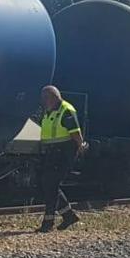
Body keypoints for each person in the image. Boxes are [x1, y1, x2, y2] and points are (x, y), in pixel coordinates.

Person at [36, 85, 86, 233]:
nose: (43, 101)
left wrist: (80, 148)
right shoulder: (49, 110)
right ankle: (69, 216)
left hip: (64, 152)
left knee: (50, 184)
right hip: (52, 152)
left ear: (52, 97)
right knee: (48, 184)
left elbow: (76, 133)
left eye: (45, 98)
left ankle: (48, 222)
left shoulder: (66, 110)